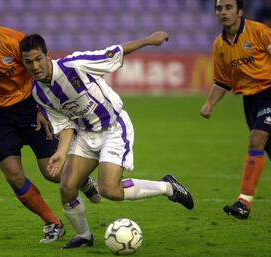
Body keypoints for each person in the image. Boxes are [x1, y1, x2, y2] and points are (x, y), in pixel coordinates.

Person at [19, 33, 194, 249]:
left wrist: (149, 40)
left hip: (112, 128)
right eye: (28, 62)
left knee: (110, 191)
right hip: (85, 135)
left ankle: (168, 187)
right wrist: (62, 152)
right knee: (67, 188)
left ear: (47, 56)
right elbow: (64, 125)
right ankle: (84, 237)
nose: (35, 66)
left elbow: (113, 52)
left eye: (38, 59)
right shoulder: (38, 93)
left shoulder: (74, 65)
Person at [0, 0, 100, 243]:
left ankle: (82, 180)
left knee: (52, 172)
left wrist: (43, 108)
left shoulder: (11, 40)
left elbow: (37, 71)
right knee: (14, 176)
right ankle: (53, 223)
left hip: (29, 108)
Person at [200, 0, 271, 219]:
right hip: (249, 102)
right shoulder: (219, 45)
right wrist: (209, 104)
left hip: (269, 92)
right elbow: (222, 81)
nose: (223, 12)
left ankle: (243, 203)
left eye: (229, 7)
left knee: (256, 139)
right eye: (219, 9)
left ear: (240, 11)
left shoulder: (259, 31)